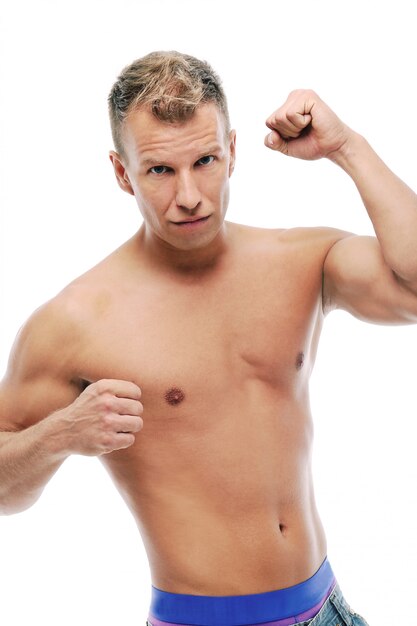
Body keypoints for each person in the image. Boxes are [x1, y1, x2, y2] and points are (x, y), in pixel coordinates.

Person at [1, 50, 416, 626]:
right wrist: (59, 434)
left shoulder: (300, 262)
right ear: (123, 174)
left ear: (233, 152)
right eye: (160, 171)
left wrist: (347, 147)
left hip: (328, 606)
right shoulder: (75, 321)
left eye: (205, 160)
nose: (190, 195)